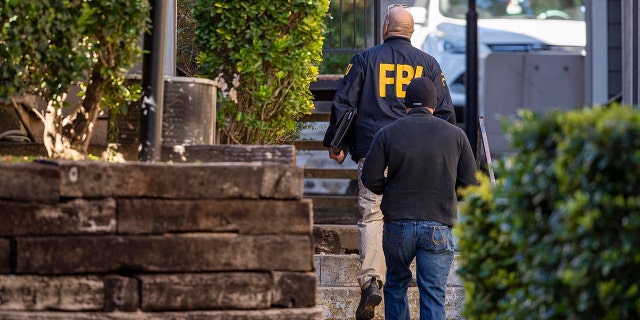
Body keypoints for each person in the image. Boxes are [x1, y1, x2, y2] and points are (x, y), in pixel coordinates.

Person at [322, 4, 456, 320]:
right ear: (410, 31)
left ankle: (372, 280)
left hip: (374, 152)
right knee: (410, 216)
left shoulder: (364, 60)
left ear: (385, 28)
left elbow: (345, 104)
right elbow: (446, 114)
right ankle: (410, 278)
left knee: (372, 215)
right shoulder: (429, 64)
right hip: (419, 161)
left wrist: (336, 143)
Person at [360, 77, 477, 320]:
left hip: (397, 225)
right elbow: (470, 185)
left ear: (406, 105)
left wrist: (391, 189)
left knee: (395, 284)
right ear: (434, 105)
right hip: (438, 224)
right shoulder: (456, 136)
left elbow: (369, 178)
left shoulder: (387, 133)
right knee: (433, 292)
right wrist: (445, 192)